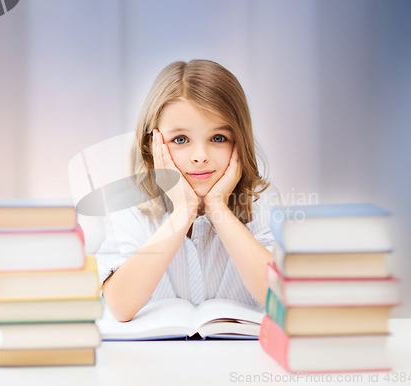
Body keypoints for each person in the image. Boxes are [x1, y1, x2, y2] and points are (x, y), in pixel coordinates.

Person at [96, 59, 277, 322]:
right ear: (152, 145)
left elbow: (280, 297)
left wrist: (217, 207)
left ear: (239, 141)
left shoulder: (261, 200)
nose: (200, 156)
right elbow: (120, 305)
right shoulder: (129, 206)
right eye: (180, 140)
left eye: (218, 138)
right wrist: (183, 212)